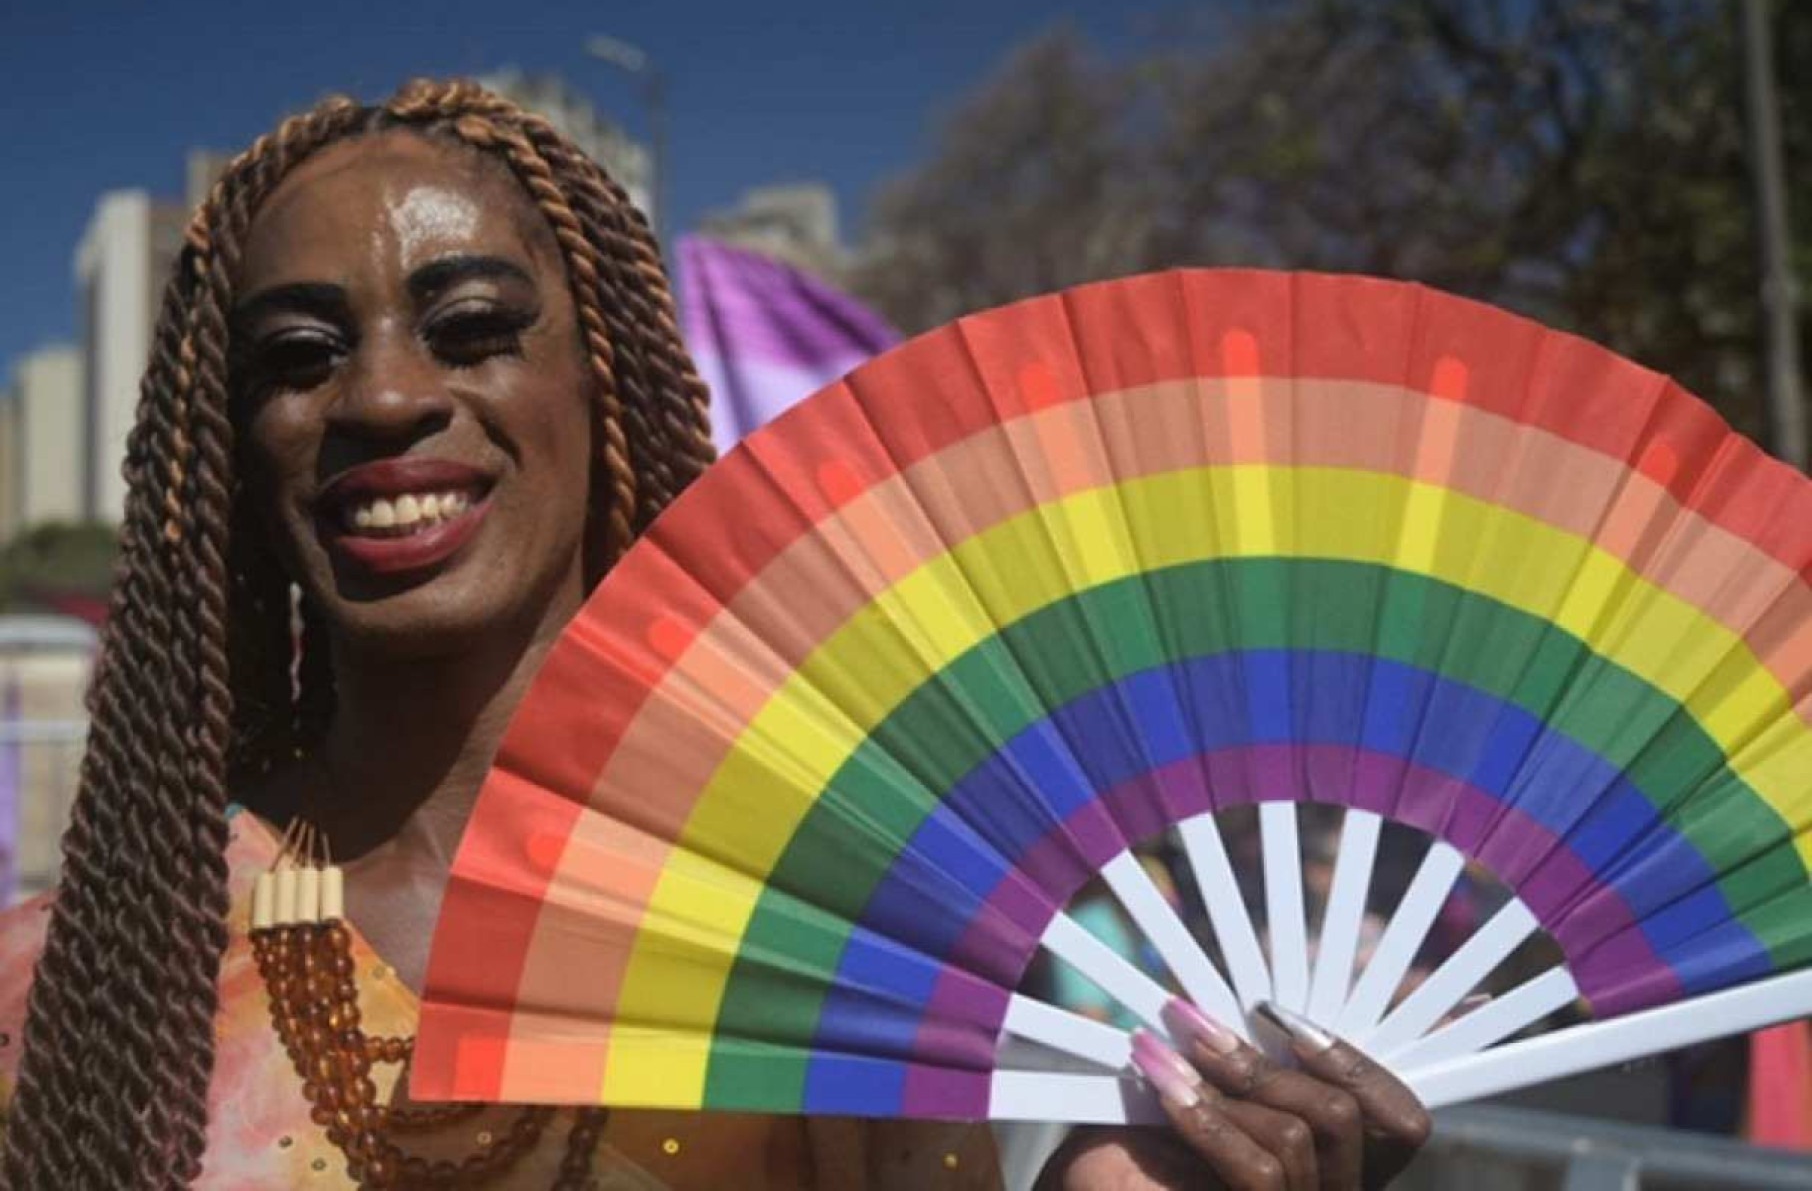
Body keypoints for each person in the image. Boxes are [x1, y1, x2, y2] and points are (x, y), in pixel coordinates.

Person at [0, 79, 1429, 1189]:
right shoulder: (78, 990)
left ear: (599, 380)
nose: (382, 398)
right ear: (233, 450)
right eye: (300, 359)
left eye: (473, 326)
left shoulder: (841, 934)